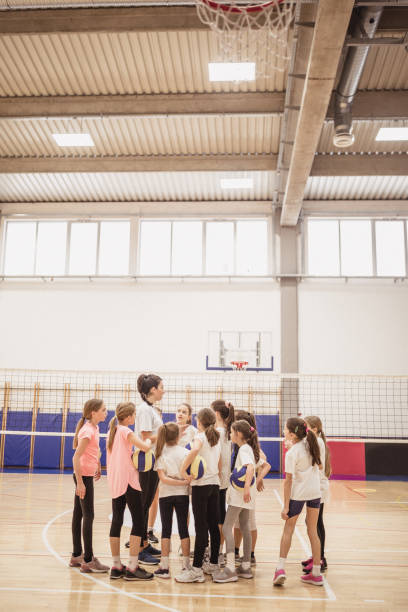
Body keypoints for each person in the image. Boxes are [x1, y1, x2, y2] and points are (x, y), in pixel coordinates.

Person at [106, 402, 154, 581]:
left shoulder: (113, 431)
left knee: (117, 520)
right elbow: (145, 447)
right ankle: (133, 567)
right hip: (128, 481)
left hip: (115, 480)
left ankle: (116, 566)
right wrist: (150, 439)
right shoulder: (126, 431)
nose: (135, 418)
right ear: (127, 417)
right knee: (139, 521)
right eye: (133, 415)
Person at [273, 417, 322, 587]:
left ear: (293, 434)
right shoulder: (312, 444)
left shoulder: (292, 453)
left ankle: (280, 569)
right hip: (315, 492)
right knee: (312, 531)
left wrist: (286, 506)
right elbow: (320, 466)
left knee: (288, 529)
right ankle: (316, 573)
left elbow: (287, 481)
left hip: (299, 494)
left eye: (285, 429)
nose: (284, 431)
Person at [176, 407, 221, 583]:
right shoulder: (216, 437)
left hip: (201, 486)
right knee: (213, 525)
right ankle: (213, 564)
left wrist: (182, 469)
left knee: (201, 527)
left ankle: (196, 570)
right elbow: (219, 462)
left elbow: (194, 451)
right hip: (214, 484)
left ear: (199, 421)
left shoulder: (200, 437)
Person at [213, 420, 260, 583]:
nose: (230, 435)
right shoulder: (247, 448)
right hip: (247, 495)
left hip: (241, 495)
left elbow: (250, 467)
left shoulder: (244, 449)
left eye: (232, 433)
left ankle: (230, 568)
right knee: (245, 525)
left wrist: (246, 487)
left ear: (239, 434)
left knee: (227, 527)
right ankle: (245, 566)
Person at [70, 398, 109, 574]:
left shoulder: (94, 427)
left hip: (86, 474)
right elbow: (76, 457)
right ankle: (88, 560)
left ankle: (77, 555)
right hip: (83, 477)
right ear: (94, 412)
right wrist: (80, 482)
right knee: (88, 515)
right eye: (103, 410)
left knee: (78, 514)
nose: (106, 412)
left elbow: (91, 451)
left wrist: (98, 463)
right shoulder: (87, 431)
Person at [153, 422, 193, 579]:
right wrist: (184, 482)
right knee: (184, 529)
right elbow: (189, 473)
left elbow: (163, 478)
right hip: (182, 494)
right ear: (178, 436)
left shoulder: (160, 453)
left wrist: (177, 482)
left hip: (166, 495)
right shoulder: (185, 452)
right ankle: (186, 565)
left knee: (166, 530)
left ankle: (164, 567)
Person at [132, 373, 164, 565]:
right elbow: (145, 438)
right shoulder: (144, 410)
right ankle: (141, 549)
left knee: (147, 502)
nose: (163, 390)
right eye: (161, 387)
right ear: (152, 390)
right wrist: (165, 432)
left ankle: (145, 542)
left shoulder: (150, 409)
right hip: (146, 462)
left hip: (154, 461)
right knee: (143, 504)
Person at [232, 410, 271, 566]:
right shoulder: (239, 445)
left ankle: (251, 554)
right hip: (238, 489)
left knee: (249, 523)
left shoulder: (250, 447)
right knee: (238, 523)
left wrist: (258, 479)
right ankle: (235, 550)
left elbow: (265, 462)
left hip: (247, 490)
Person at [303, 416, 331, 573]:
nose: (305, 430)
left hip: (318, 487)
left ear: (314, 429)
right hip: (316, 486)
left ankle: (320, 559)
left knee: (315, 523)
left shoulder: (317, 442)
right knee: (312, 522)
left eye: (307, 427)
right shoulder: (317, 441)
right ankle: (318, 556)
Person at [212, 400, 235, 565]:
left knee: (216, 517)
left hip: (218, 478)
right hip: (224, 479)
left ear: (217, 414)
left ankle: (217, 551)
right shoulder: (228, 431)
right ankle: (218, 550)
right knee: (220, 514)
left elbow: (217, 456)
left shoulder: (218, 432)